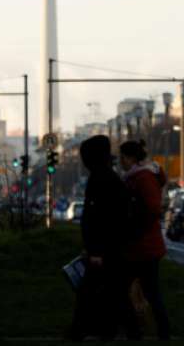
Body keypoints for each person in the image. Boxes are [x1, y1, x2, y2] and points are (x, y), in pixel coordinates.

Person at [70, 135, 133, 341]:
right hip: (109, 248)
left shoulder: (101, 179)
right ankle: (116, 330)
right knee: (112, 292)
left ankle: (88, 330)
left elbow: (100, 218)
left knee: (95, 292)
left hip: (105, 249)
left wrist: (96, 250)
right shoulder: (107, 177)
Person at [119, 140, 171, 341]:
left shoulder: (143, 178)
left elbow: (151, 209)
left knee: (133, 289)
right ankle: (157, 331)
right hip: (143, 245)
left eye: (123, 157)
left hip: (143, 245)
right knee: (149, 291)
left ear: (131, 158)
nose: (121, 162)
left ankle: (139, 331)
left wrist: (133, 227)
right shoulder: (138, 177)